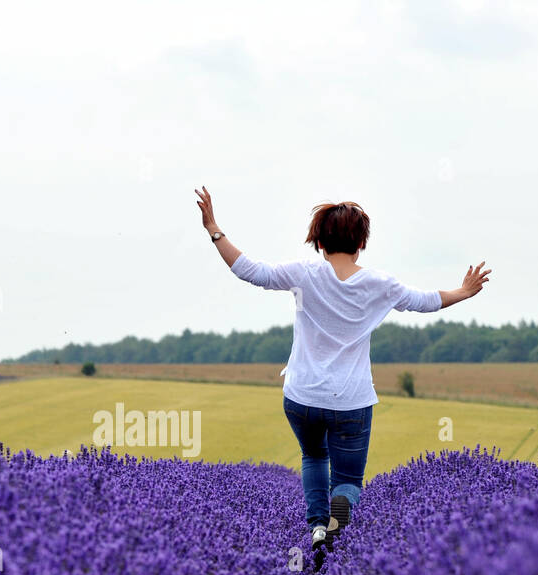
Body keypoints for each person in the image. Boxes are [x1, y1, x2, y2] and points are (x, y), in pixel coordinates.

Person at [195, 186, 490, 553]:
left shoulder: (304, 274)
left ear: (319, 241)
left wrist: (214, 228)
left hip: (301, 396)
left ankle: (318, 527)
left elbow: (249, 271)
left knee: (313, 456)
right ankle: (343, 507)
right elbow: (425, 302)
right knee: (348, 478)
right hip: (350, 400)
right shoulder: (379, 284)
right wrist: (464, 291)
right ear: (361, 243)